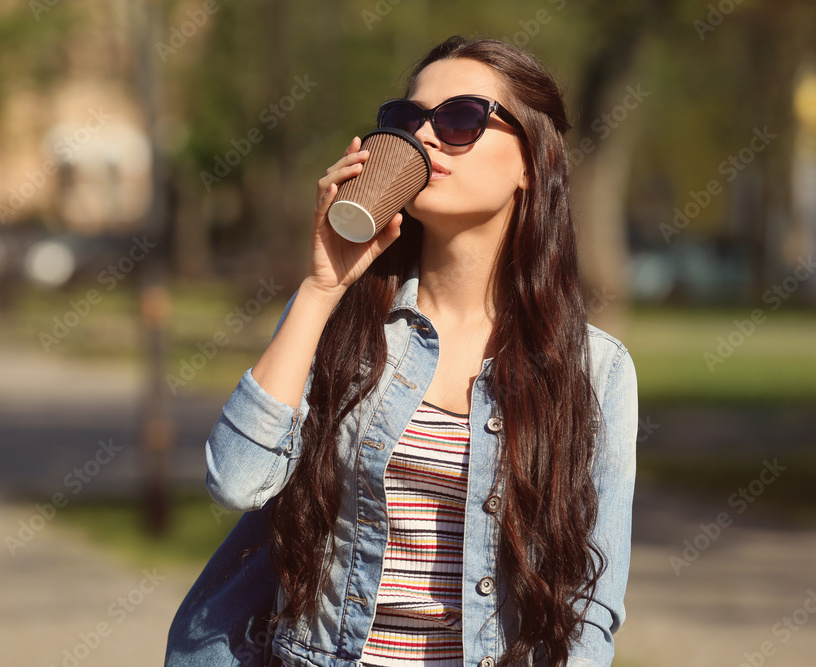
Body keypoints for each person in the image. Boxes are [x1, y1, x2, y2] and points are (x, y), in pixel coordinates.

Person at [166, 35, 639, 667]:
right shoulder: (338, 323)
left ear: (532, 160)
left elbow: (589, 603)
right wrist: (320, 287)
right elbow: (236, 482)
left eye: (462, 118)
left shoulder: (595, 370)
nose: (426, 137)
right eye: (405, 120)